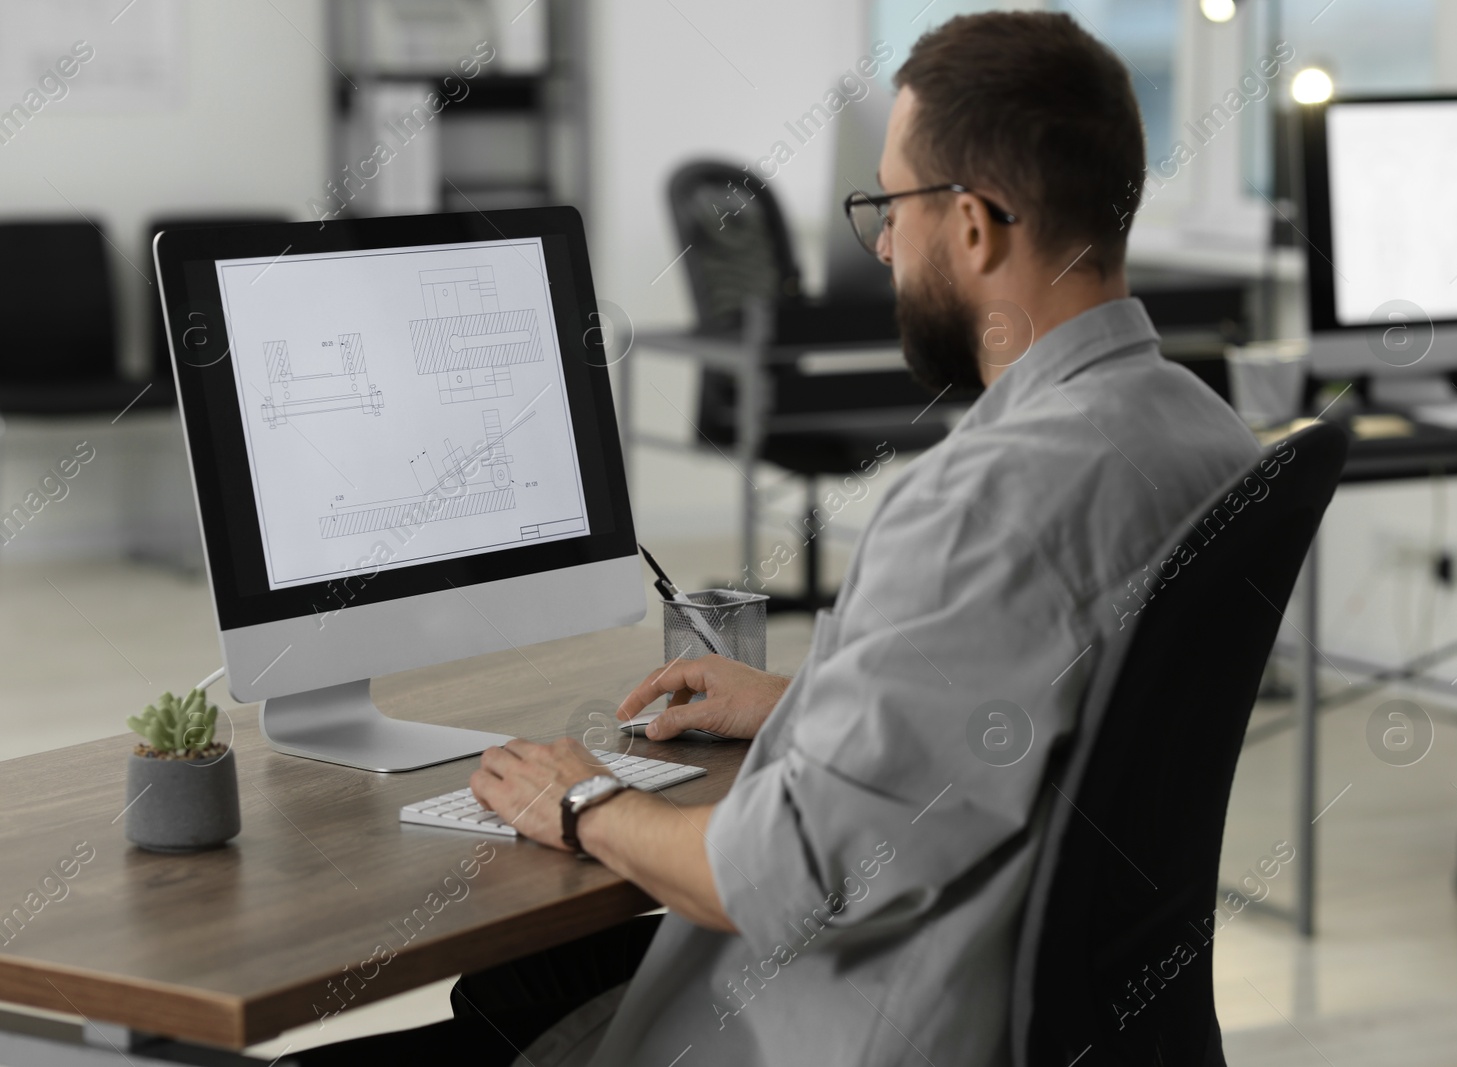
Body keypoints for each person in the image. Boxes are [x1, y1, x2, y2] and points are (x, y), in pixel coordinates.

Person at [301, 10, 1259, 1066]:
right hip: (1051, 1021)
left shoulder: (981, 504)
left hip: (832, 1027)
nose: (884, 243)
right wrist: (806, 703)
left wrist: (570, 796)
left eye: (889, 207)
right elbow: (1052, 723)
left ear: (976, 225)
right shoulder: (1202, 435)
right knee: (508, 987)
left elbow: (780, 877)